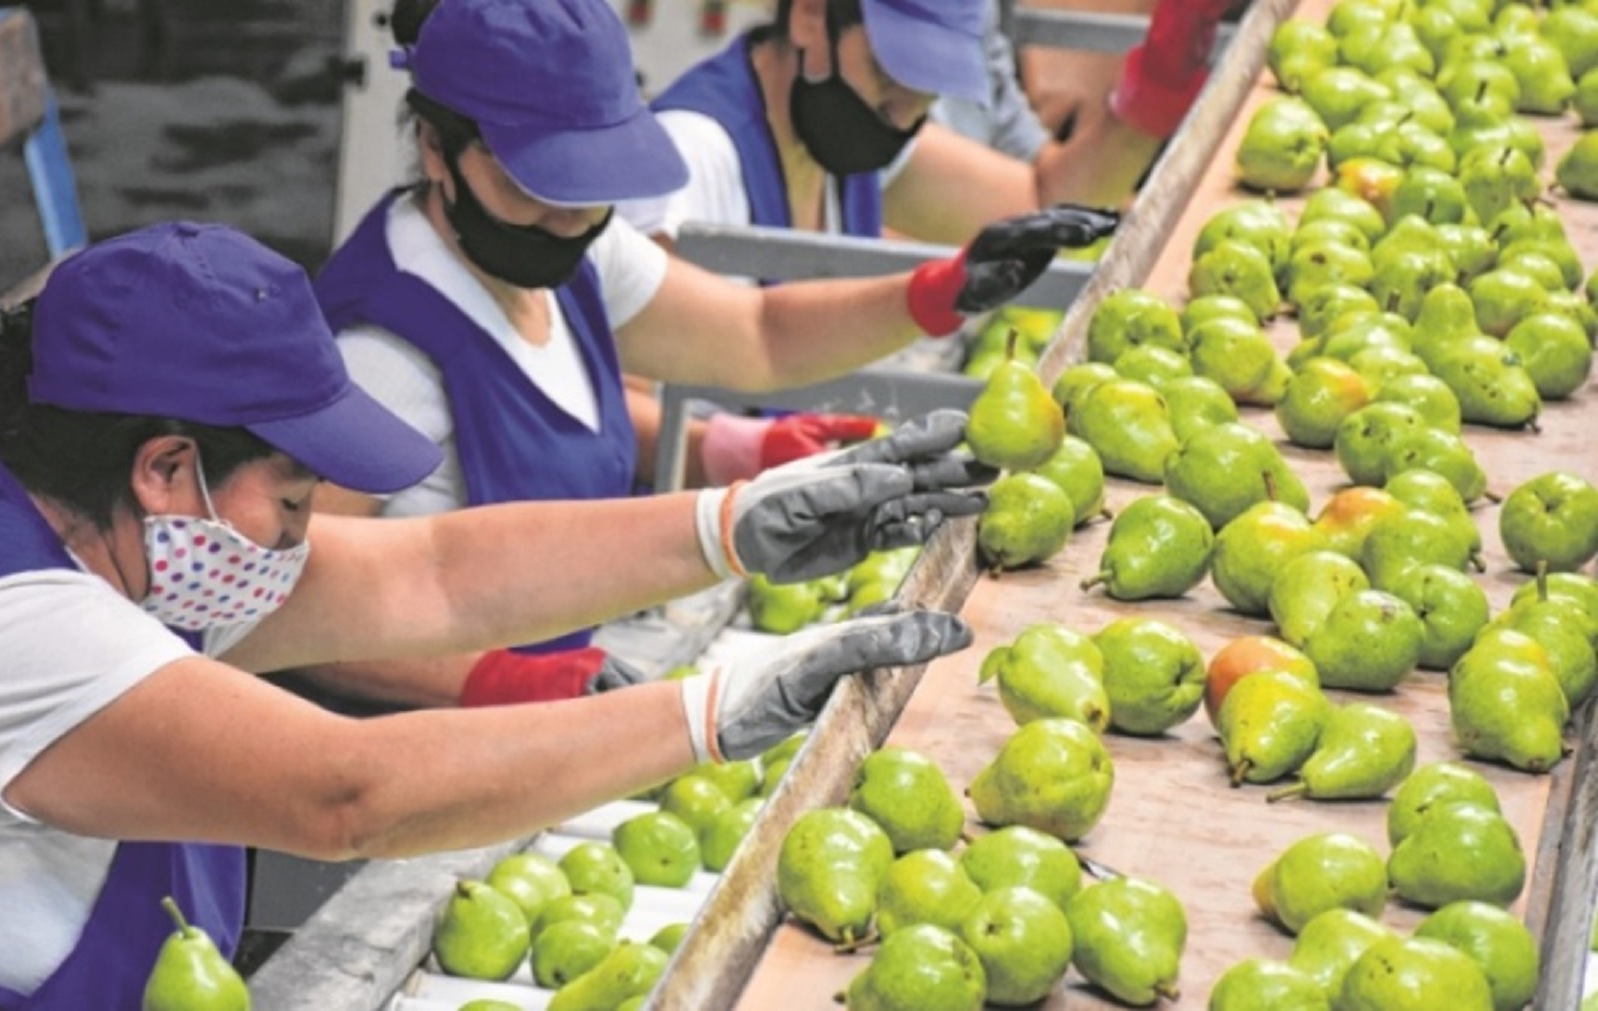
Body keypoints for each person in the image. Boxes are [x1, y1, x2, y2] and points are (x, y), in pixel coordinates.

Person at [0, 222, 985, 1010]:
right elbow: (348, 793)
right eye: (298, 496)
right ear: (168, 470)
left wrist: (730, 526)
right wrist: (717, 715)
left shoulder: (114, 529)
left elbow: (435, 576)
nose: (310, 532)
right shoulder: (10, 636)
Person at [305, 0, 1114, 708]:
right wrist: (492, 682)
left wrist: (940, 289)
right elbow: (291, 612)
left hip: (554, 721)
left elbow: (758, 334)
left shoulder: (576, 258)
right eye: (536, 186)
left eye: (590, 191)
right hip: (405, 764)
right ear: (437, 148)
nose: (568, 219)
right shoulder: (383, 351)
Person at [621, 0, 1233, 248]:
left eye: (926, 91)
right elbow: (631, 403)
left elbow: (1042, 200)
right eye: (891, 75)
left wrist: (1155, 90)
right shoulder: (694, 159)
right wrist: (730, 452)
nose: (905, 113)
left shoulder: (850, 138)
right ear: (810, 17)